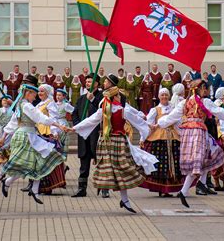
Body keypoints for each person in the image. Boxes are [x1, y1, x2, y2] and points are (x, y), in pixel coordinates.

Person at [70, 74, 156, 214]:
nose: (118, 99)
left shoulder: (121, 109)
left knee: (121, 170)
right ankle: (117, 196)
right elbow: (92, 120)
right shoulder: (104, 107)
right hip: (107, 141)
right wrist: (75, 128)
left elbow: (136, 120)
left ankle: (124, 199)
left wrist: (147, 126)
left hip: (117, 142)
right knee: (113, 171)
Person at [157, 80, 224, 207]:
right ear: (199, 89)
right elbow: (219, 112)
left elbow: (171, 117)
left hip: (187, 133)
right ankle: (190, 189)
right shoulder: (204, 101)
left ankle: (195, 186)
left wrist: (160, 123)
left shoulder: (184, 103)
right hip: (198, 133)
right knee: (199, 161)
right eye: (204, 88)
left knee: (202, 159)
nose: (206, 90)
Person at [1, 84, 66, 204]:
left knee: (39, 161)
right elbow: (42, 118)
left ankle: (34, 190)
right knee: (27, 164)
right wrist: (58, 125)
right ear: (27, 93)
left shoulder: (22, 105)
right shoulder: (26, 106)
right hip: (26, 137)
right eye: (34, 93)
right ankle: (8, 182)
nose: (35, 96)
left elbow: (12, 123)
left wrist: (3, 137)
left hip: (31, 136)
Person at [141, 88, 183, 197]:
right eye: (162, 95)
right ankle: (161, 188)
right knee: (160, 164)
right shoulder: (155, 110)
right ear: (159, 97)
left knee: (172, 163)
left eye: (166, 95)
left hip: (172, 137)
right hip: (159, 138)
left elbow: (178, 124)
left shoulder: (173, 109)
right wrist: (142, 138)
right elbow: (148, 124)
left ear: (169, 96)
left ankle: (168, 188)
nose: (164, 97)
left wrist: (182, 135)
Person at [27, 84, 65, 195]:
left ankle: (48, 186)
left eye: (42, 91)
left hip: (48, 134)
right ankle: (36, 186)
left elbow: (53, 118)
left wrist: (54, 131)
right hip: (38, 132)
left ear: (47, 93)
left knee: (47, 159)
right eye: (38, 91)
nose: (39, 93)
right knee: (38, 160)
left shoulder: (50, 103)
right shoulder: (39, 104)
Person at [71, 73, 104, 198]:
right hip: (83, 134)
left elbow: (103, 112)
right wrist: (79, 126)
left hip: (97, 133)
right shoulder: (81, 98)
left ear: (96, 84)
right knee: (83, 163)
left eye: (90, 82)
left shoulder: (102, 97)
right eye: (87, 82)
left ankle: (104, 188)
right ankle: (81, 189)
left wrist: (93, 99)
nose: (88, 84)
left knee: (100, 161)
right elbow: (75, 114)